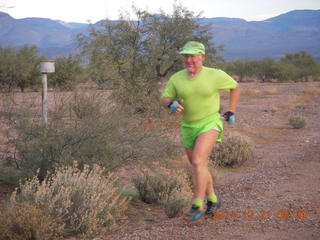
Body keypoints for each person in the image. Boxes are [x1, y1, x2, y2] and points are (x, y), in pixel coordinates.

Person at [160, 41, 240, 221]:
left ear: (202, 57)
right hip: (188, 126)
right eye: (185, 56)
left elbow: (234, 87)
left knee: (197, 161)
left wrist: (232, 110)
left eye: (192, 56)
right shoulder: (177, 78)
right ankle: (212, 199)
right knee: (199, 165)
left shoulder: (215, 75)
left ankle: (198, 204)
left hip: (210, 122)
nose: (188, 60)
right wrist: (170, 104)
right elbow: (164, 98)